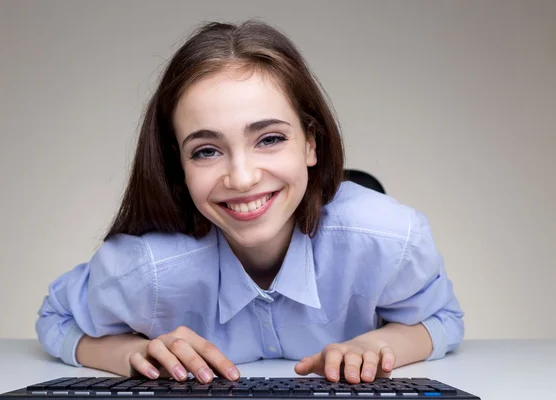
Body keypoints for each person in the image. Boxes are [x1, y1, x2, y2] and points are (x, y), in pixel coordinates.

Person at [36, 19, 464, 385]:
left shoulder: (390, 238)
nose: (241, 178)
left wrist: (382, 344)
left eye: (270, 139)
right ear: (178, 163)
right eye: (206, 150)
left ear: (311, 143)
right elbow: (56, 320)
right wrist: (132, 355)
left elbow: (443, 318)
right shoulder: (144, 269)